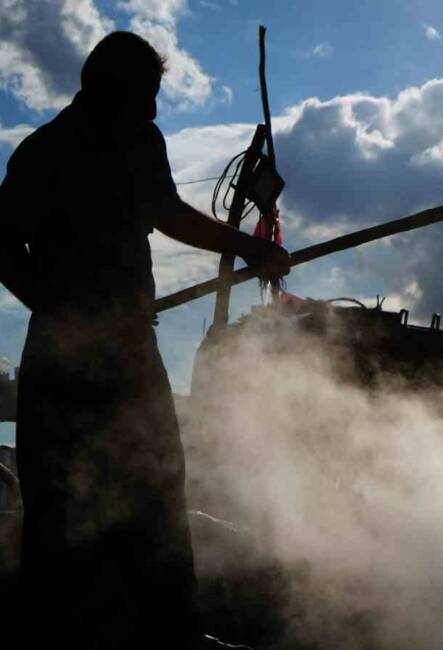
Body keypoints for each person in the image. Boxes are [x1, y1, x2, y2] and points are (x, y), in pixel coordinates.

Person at [0, 32, 290, 649]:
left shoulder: (139, 140)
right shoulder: (42, 153)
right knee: (57, 501)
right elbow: (1, 244)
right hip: (60, 356)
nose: (156, 110)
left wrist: (251, 247)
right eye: (147, 95)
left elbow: (168, 213)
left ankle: (175, 632)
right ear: (108, 87)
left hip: (131, 344)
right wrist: (57, 309)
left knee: (157, 485)